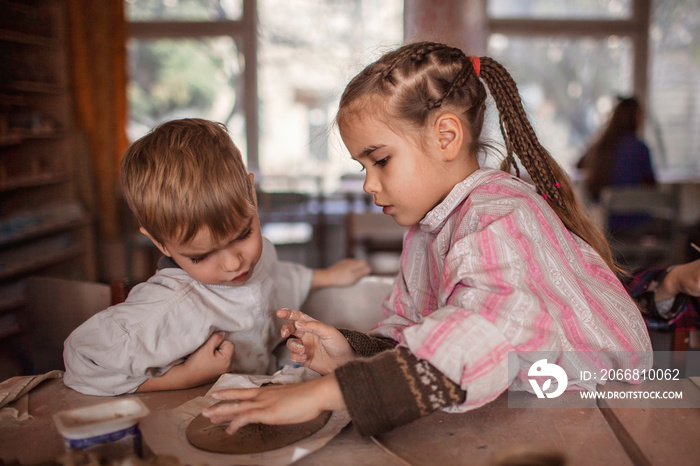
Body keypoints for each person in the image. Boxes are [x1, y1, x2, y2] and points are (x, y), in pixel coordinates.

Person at [201, 42, 652, 437]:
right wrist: (351, 354)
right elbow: (419, 331)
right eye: (363, 167)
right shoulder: (427, 229)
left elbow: (482, 337)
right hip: (536, 412)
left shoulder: (500, 216)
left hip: (611, 415)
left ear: (447, 136)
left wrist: (327, 393)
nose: (369, 185)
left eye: (380, 160)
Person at [63, 118, 370, 396]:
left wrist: (326, 277)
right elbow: (83, 359)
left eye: (242, 235)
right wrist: (184, 376)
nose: (234, 263)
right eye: (202, 256)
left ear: (251, 193)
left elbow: (276, 274)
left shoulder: (255, 259)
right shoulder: (168, 306)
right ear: (161, 244)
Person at [577, 96, 656, 235]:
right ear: (635, 117)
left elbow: (579, 165)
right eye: (641, 115)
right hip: (636, 219)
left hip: (608, 224)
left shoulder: (600, 147)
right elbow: (651, 186)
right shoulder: (639, 148)